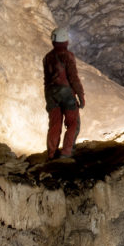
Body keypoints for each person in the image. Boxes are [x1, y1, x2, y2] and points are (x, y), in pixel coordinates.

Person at [43, 26, 85, 159]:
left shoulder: (47, 57)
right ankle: (66, 152)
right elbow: (73, 77)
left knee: (55, 124)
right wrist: (81, 96)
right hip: (66, 92)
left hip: (50, 93)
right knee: (72, 122)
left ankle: (51, 154)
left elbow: (46, 79)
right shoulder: (67, 56)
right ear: (66, 40)